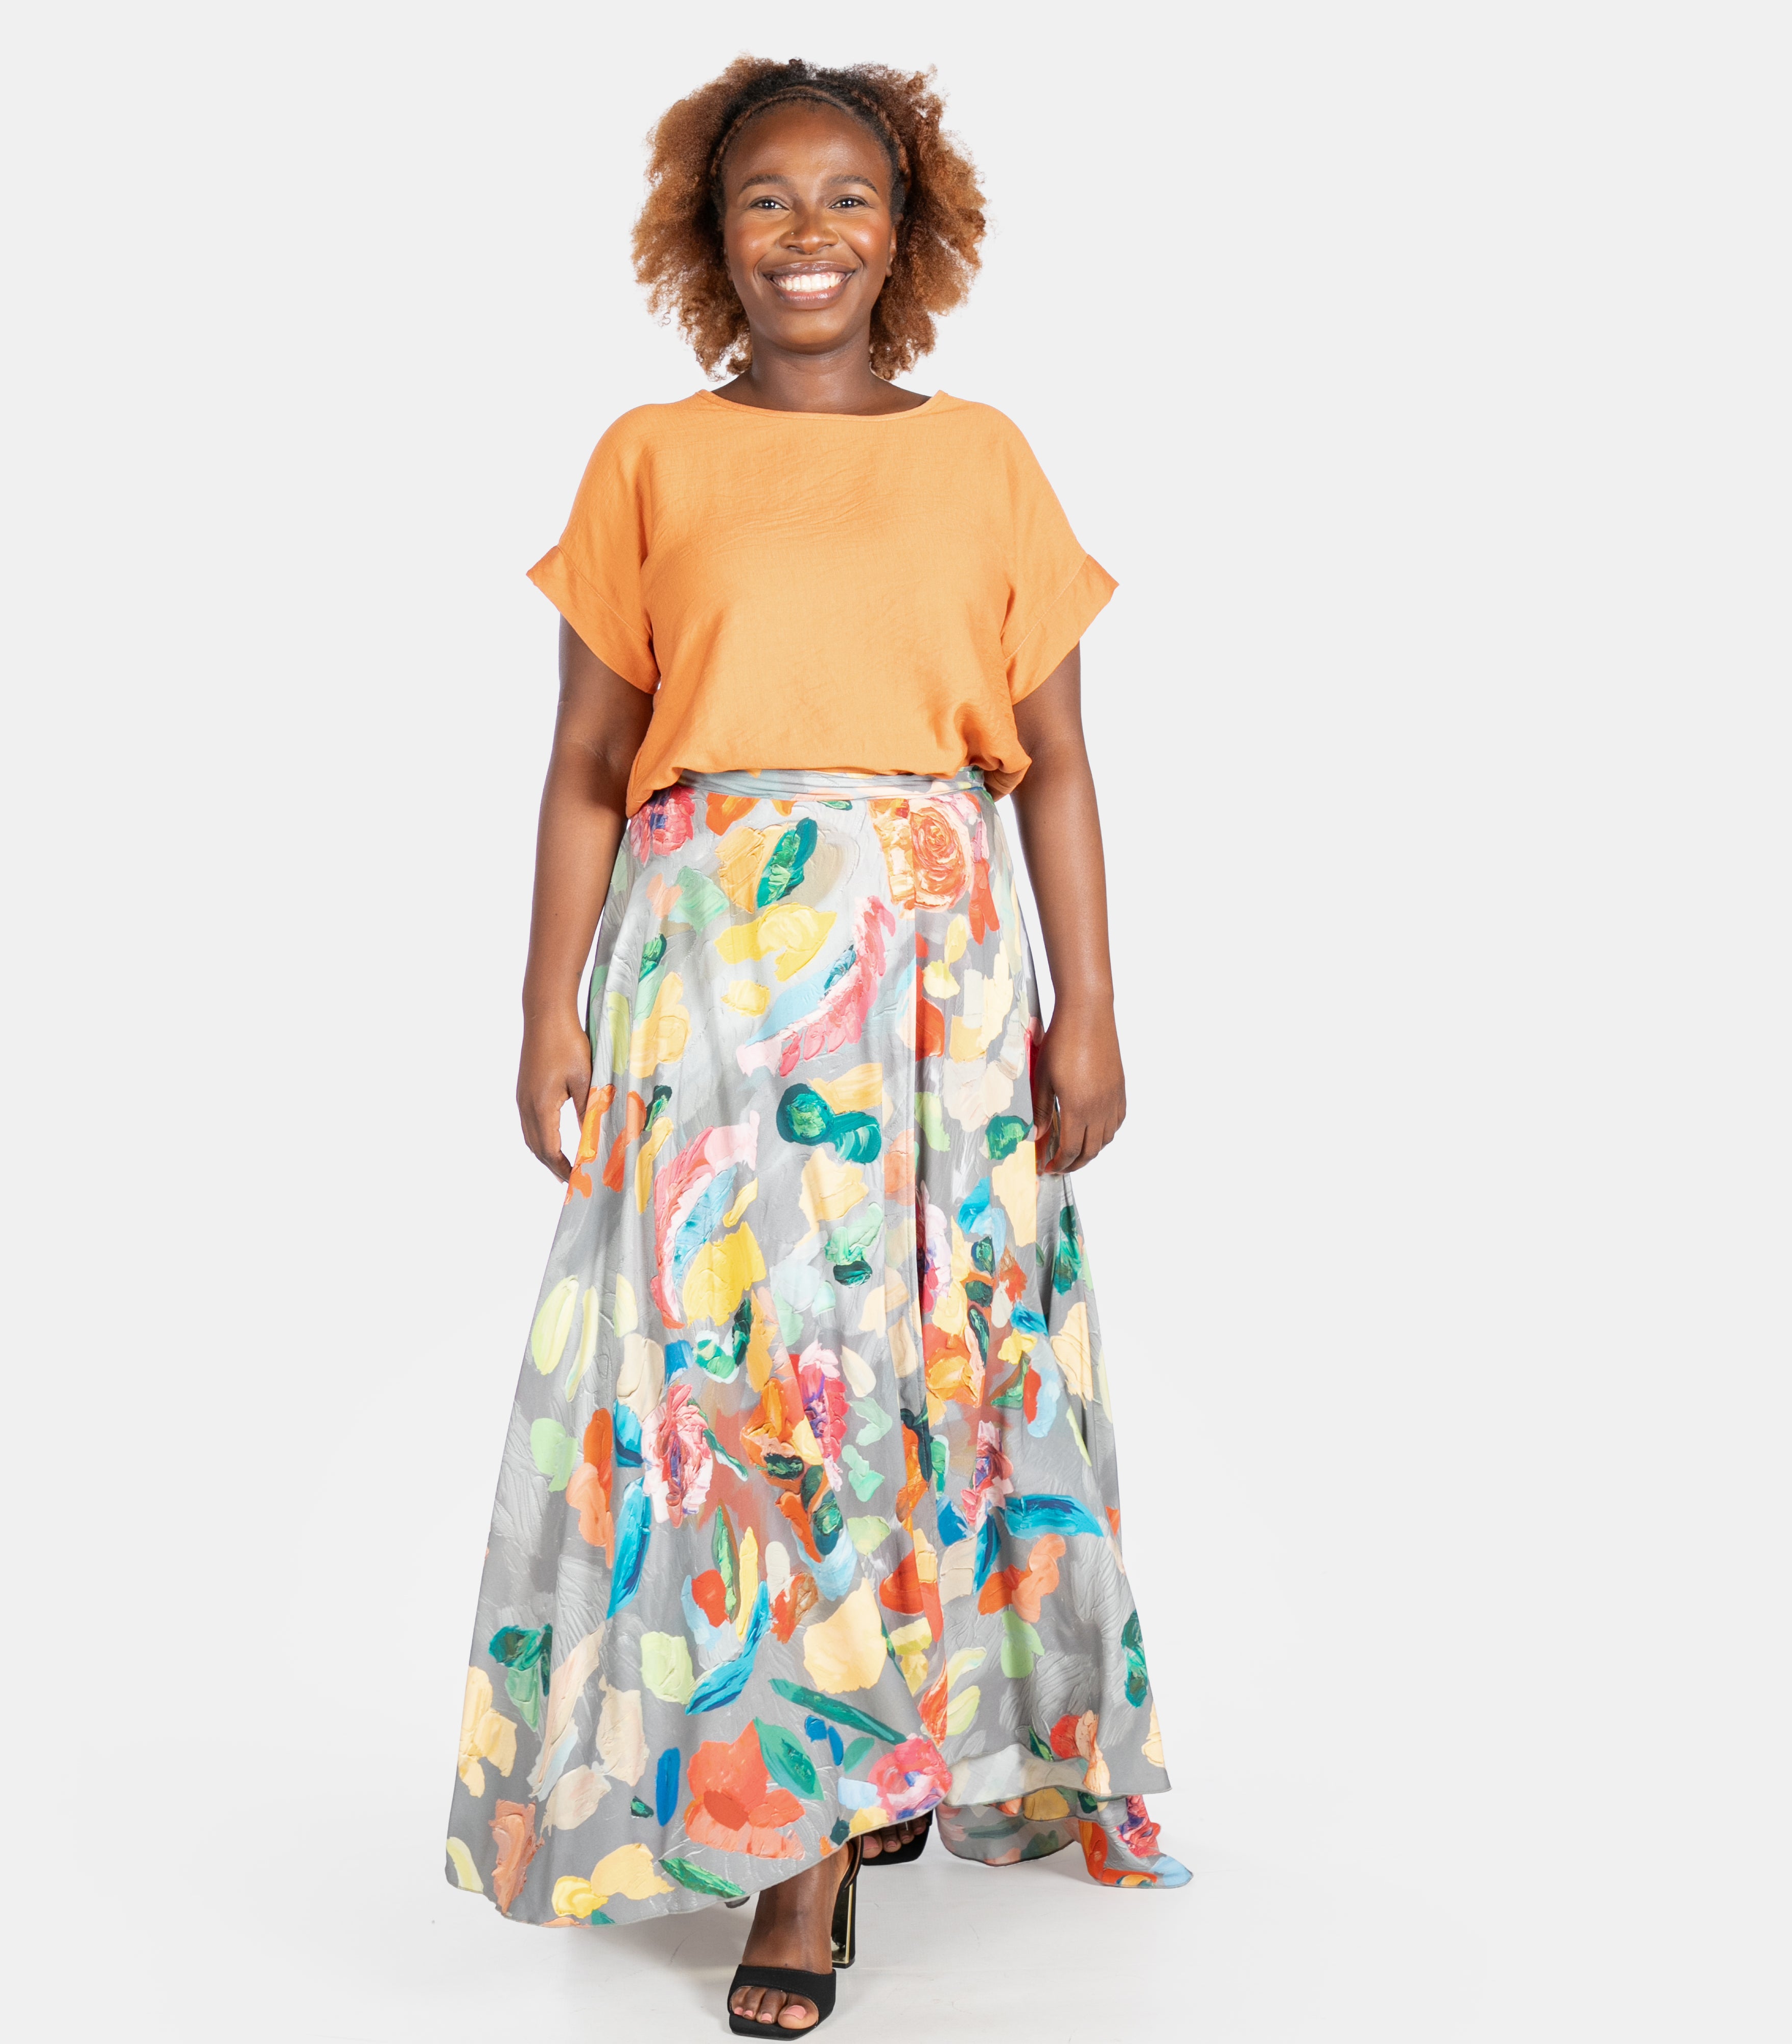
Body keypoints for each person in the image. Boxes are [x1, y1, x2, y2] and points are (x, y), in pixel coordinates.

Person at [444, 56, 1190, 2035]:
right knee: (751, 1391)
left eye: (849, 199)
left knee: (916, 1378)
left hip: (935, 991)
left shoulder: (989, 463)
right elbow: (589, 760)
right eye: (766, 200)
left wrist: (1093, 1003)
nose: (808, 236)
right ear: (709, 235)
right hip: (709, 982)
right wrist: (542, 1004)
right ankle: (796, 1828)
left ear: (907, 231)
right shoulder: (648, 462)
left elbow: (1056, 764)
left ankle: (855, 1803)